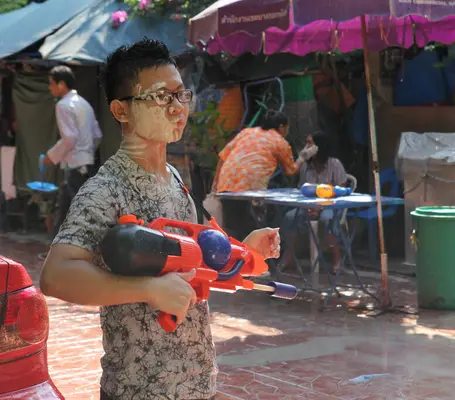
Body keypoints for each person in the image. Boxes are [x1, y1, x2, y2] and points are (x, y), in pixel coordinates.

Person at [39, 38, 280, 400]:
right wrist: (148, 290)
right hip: (140, 390)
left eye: (181, 95)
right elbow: (55, 276)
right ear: (121, 111)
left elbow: (196, 261)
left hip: (194, 385)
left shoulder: (176, 180)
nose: (177, 107)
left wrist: (245, 253)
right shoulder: (107, 189)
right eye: (160, 97)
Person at [212, 110, 318, 239]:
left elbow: (223, 157)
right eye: (287, 128)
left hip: (226, 186)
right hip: (250, 189)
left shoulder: (247, 133)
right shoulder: (280, 142)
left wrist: (215, 185)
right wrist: (302, 157)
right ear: (281, 127)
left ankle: (237, 256)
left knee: (232, 229)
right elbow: (290, 171)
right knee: (251, 231)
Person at [43, 65, 103, 239]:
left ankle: (59, 249)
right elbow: (98, 135)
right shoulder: (84, 104)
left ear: (61, 84)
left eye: (51, 83)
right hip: (87, 162)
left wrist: (51, 156)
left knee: (70, 209)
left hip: (75, 163)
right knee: (74, 206)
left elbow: (70, 138)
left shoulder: (63, 105)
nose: (50, 87)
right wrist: (87, 152)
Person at [280, 131, 348, 272]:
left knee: (327, 218)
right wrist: (309, 206)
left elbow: (340, 192)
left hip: (331, 205)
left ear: (320, 146)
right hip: (308, 206)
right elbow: (303, 190)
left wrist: (320, 207)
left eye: (310, 143)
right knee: (290, 217)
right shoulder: (305, 166)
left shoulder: (334, 164)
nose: (307, 147)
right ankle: (289, 256)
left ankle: (337, 259)